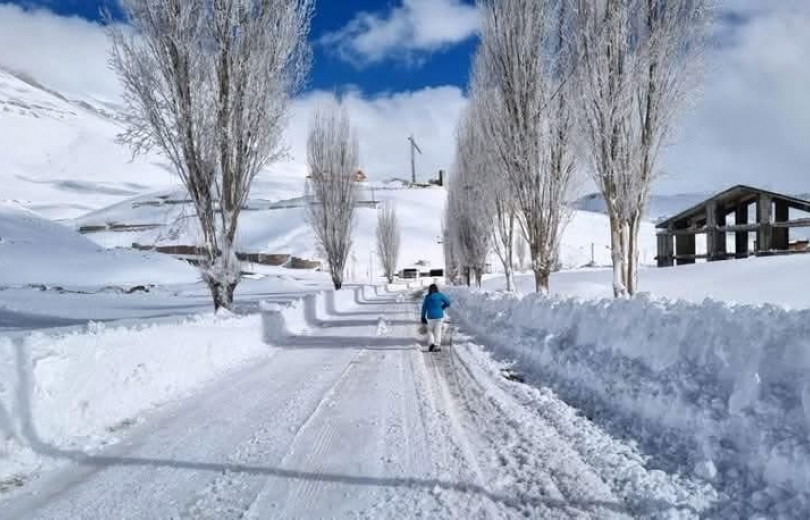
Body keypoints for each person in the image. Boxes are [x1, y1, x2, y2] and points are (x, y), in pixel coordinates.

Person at [420, 284, 451, 352]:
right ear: (436, 289)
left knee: (430, 330)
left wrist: (423, 317)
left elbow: (424, 308)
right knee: (438, 331)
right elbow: (448, 303)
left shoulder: (427, 297)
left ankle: (431, 344)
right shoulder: (439, 295)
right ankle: (437, 345)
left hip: (430, 317)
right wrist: (442, 307)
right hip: (439, 316)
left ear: (430, 290)